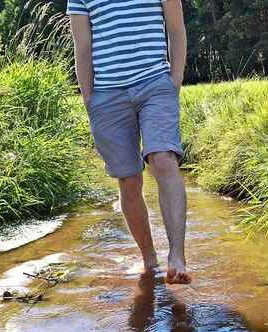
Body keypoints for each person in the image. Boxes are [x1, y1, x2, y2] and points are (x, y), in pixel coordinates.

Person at [67, 0, 191, 284]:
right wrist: (89, 100)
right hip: (107, 96)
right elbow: (83, 47)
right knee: (129, 179)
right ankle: (150, 260)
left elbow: (175, 27)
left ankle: (177, 255)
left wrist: (176, 77)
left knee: (162, 159)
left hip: (155, 85)